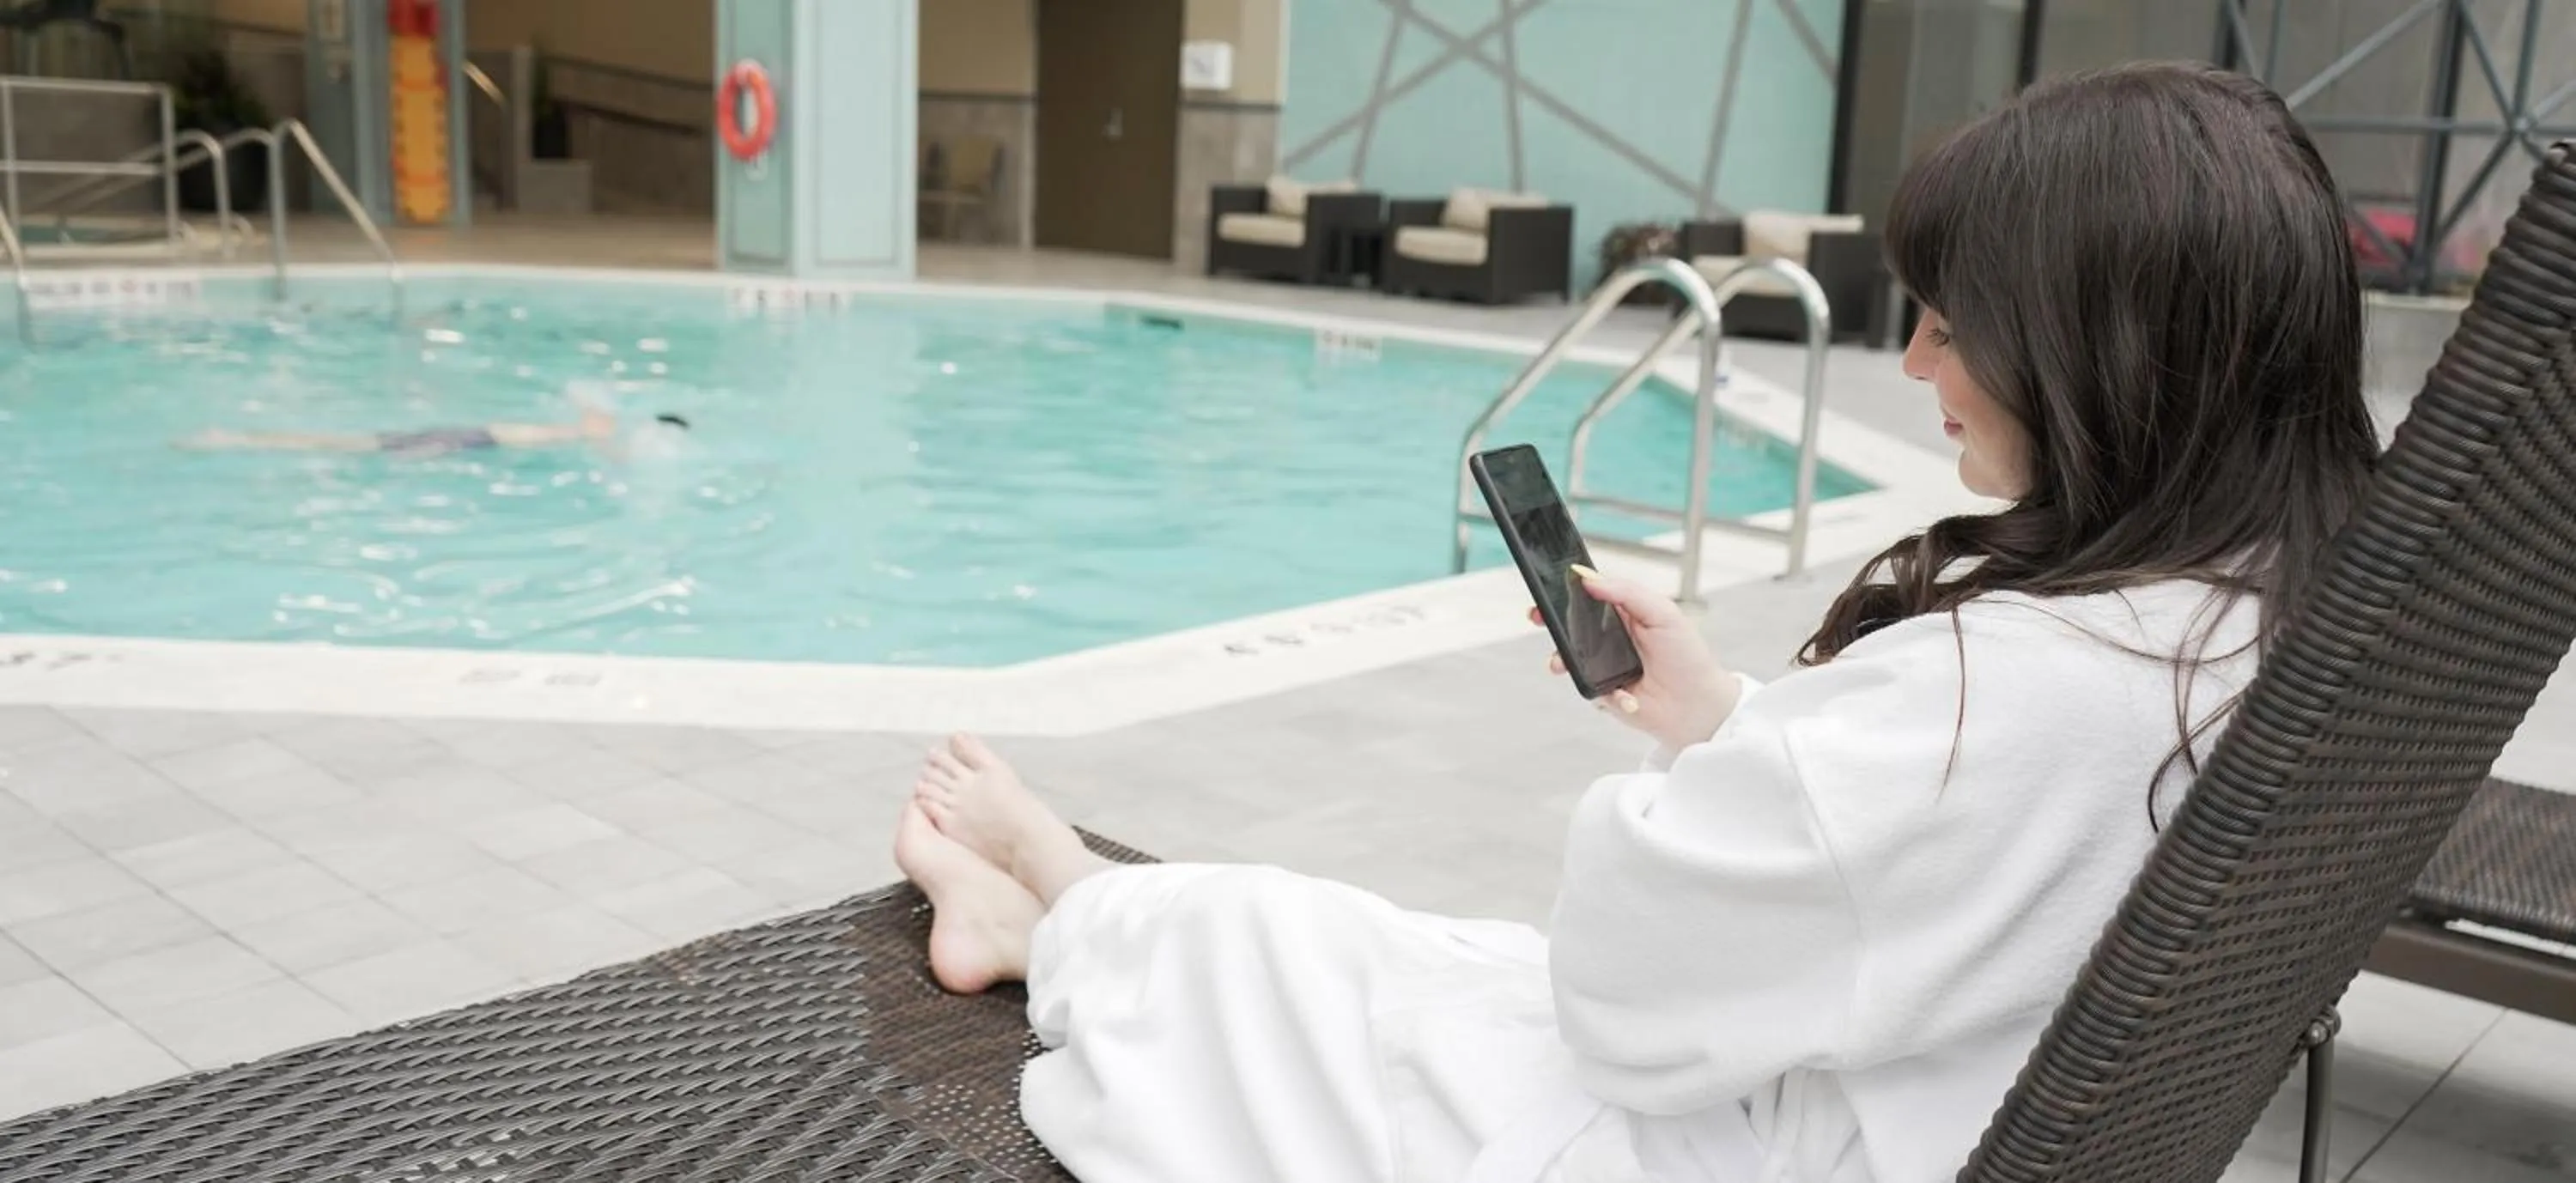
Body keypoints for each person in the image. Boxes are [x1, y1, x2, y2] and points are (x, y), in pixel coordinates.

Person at [889, 61, 2381, 1183]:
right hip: (1900, 1104)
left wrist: (1718, 780)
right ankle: (1064, 910)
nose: (1920, 357)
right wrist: (1723, 714)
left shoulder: (2001, 690)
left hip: (1734, 1140)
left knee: (1282, 939)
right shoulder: (2271, 621)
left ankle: (1054, 904)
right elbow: (1937, 864)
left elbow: (1620, 995)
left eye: (1954, 317)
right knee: (1406, 950)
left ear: (2103, 350)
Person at [178, 406, 691, 457]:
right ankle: (239, 440)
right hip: (472, 441)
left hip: (472, 435)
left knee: (356, 447)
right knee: (356, 450)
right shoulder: (601, 435)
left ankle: (242, 439)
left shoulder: (596, 425)